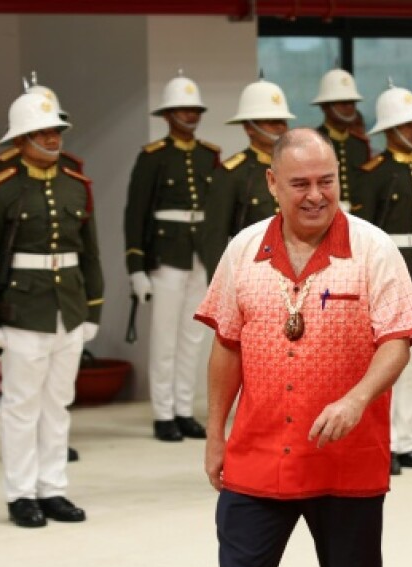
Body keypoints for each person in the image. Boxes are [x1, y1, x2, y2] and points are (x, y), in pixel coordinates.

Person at [141, 128, 412, 567]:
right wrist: (215, 431)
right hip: (259, 454)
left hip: (345, 458)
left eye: (326, 180)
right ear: (272, 184)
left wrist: (356, 399)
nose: (316, 194)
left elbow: (398, 341)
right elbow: (227, 346)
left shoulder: (374, 251)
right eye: (300, 182)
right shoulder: (244, 252)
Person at [0, 88, 103, 528]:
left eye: (56, 130)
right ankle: (21, 493)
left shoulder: (76, 185)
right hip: (22, 308)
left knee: (58, 403)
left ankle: (53, 487)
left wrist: (93, 309)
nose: (52, 138)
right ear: (21, 139)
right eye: (41, 131)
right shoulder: (2, 188)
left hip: (68, 305)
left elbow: (91, 253)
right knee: (21, 405)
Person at [353, 82, 412, 474]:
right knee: (385, 365)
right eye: (406, 126)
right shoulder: (372, 174)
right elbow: (362, 233)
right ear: (389, 130)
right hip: (388, 277)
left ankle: (405, 440)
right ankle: (382, 442)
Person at [124, 74, 221, 442]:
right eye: (183, 108)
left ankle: (184, 409)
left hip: (201, 252)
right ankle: (163, 413)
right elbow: (135, 215)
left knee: (193, 337)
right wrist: (136, 266)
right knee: (164, 338)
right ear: (168, 115)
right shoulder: (153, 157)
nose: (190, 114)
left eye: (194, 109)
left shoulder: (208, 156)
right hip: (166, 253)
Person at [199, 78, 293, 277]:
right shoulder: (232, 173)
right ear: (249, 127)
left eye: (282, 121)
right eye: (271, 121)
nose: (280, 127)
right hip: (252, 271)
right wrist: (219, 285)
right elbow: (215, 236)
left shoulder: (295, 167)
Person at [312, 68, 371, 212]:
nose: (349, 107)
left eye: (352, 102)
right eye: (342, 102)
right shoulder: (312, 141)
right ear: (325, 106)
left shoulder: (360, 145)